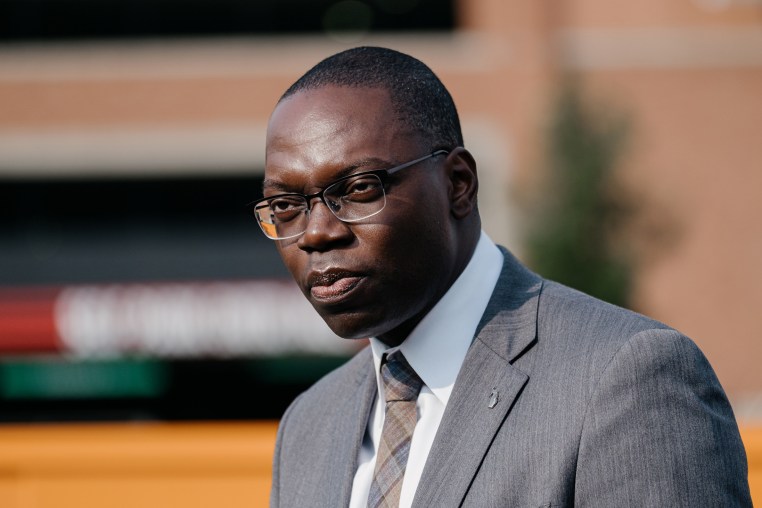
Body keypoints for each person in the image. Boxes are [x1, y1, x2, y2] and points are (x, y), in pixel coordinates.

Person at [255, 46, 751, 507]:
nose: (315, 234)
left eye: (359, 188)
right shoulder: (308, 424)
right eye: (285, 206)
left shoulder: (627, 378)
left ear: (458, 185)